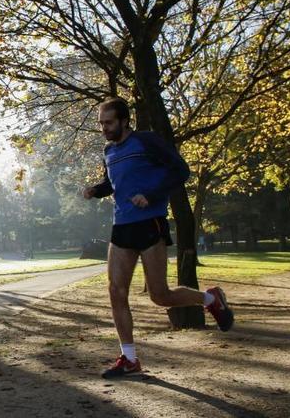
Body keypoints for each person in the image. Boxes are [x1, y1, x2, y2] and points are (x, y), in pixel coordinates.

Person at [82, 98, 234, 379]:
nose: (104, 128)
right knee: (116, 291)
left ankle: (209, 298)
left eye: (109, 123)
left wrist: (150, 195)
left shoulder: (147, 141)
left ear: (125, 121)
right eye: (101, 123)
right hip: (122, 226)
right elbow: (113, 183)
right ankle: (129, 359)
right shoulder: (108, 150)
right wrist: (96, 190)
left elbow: (180, 170)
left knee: (160, 296)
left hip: (150, 222)